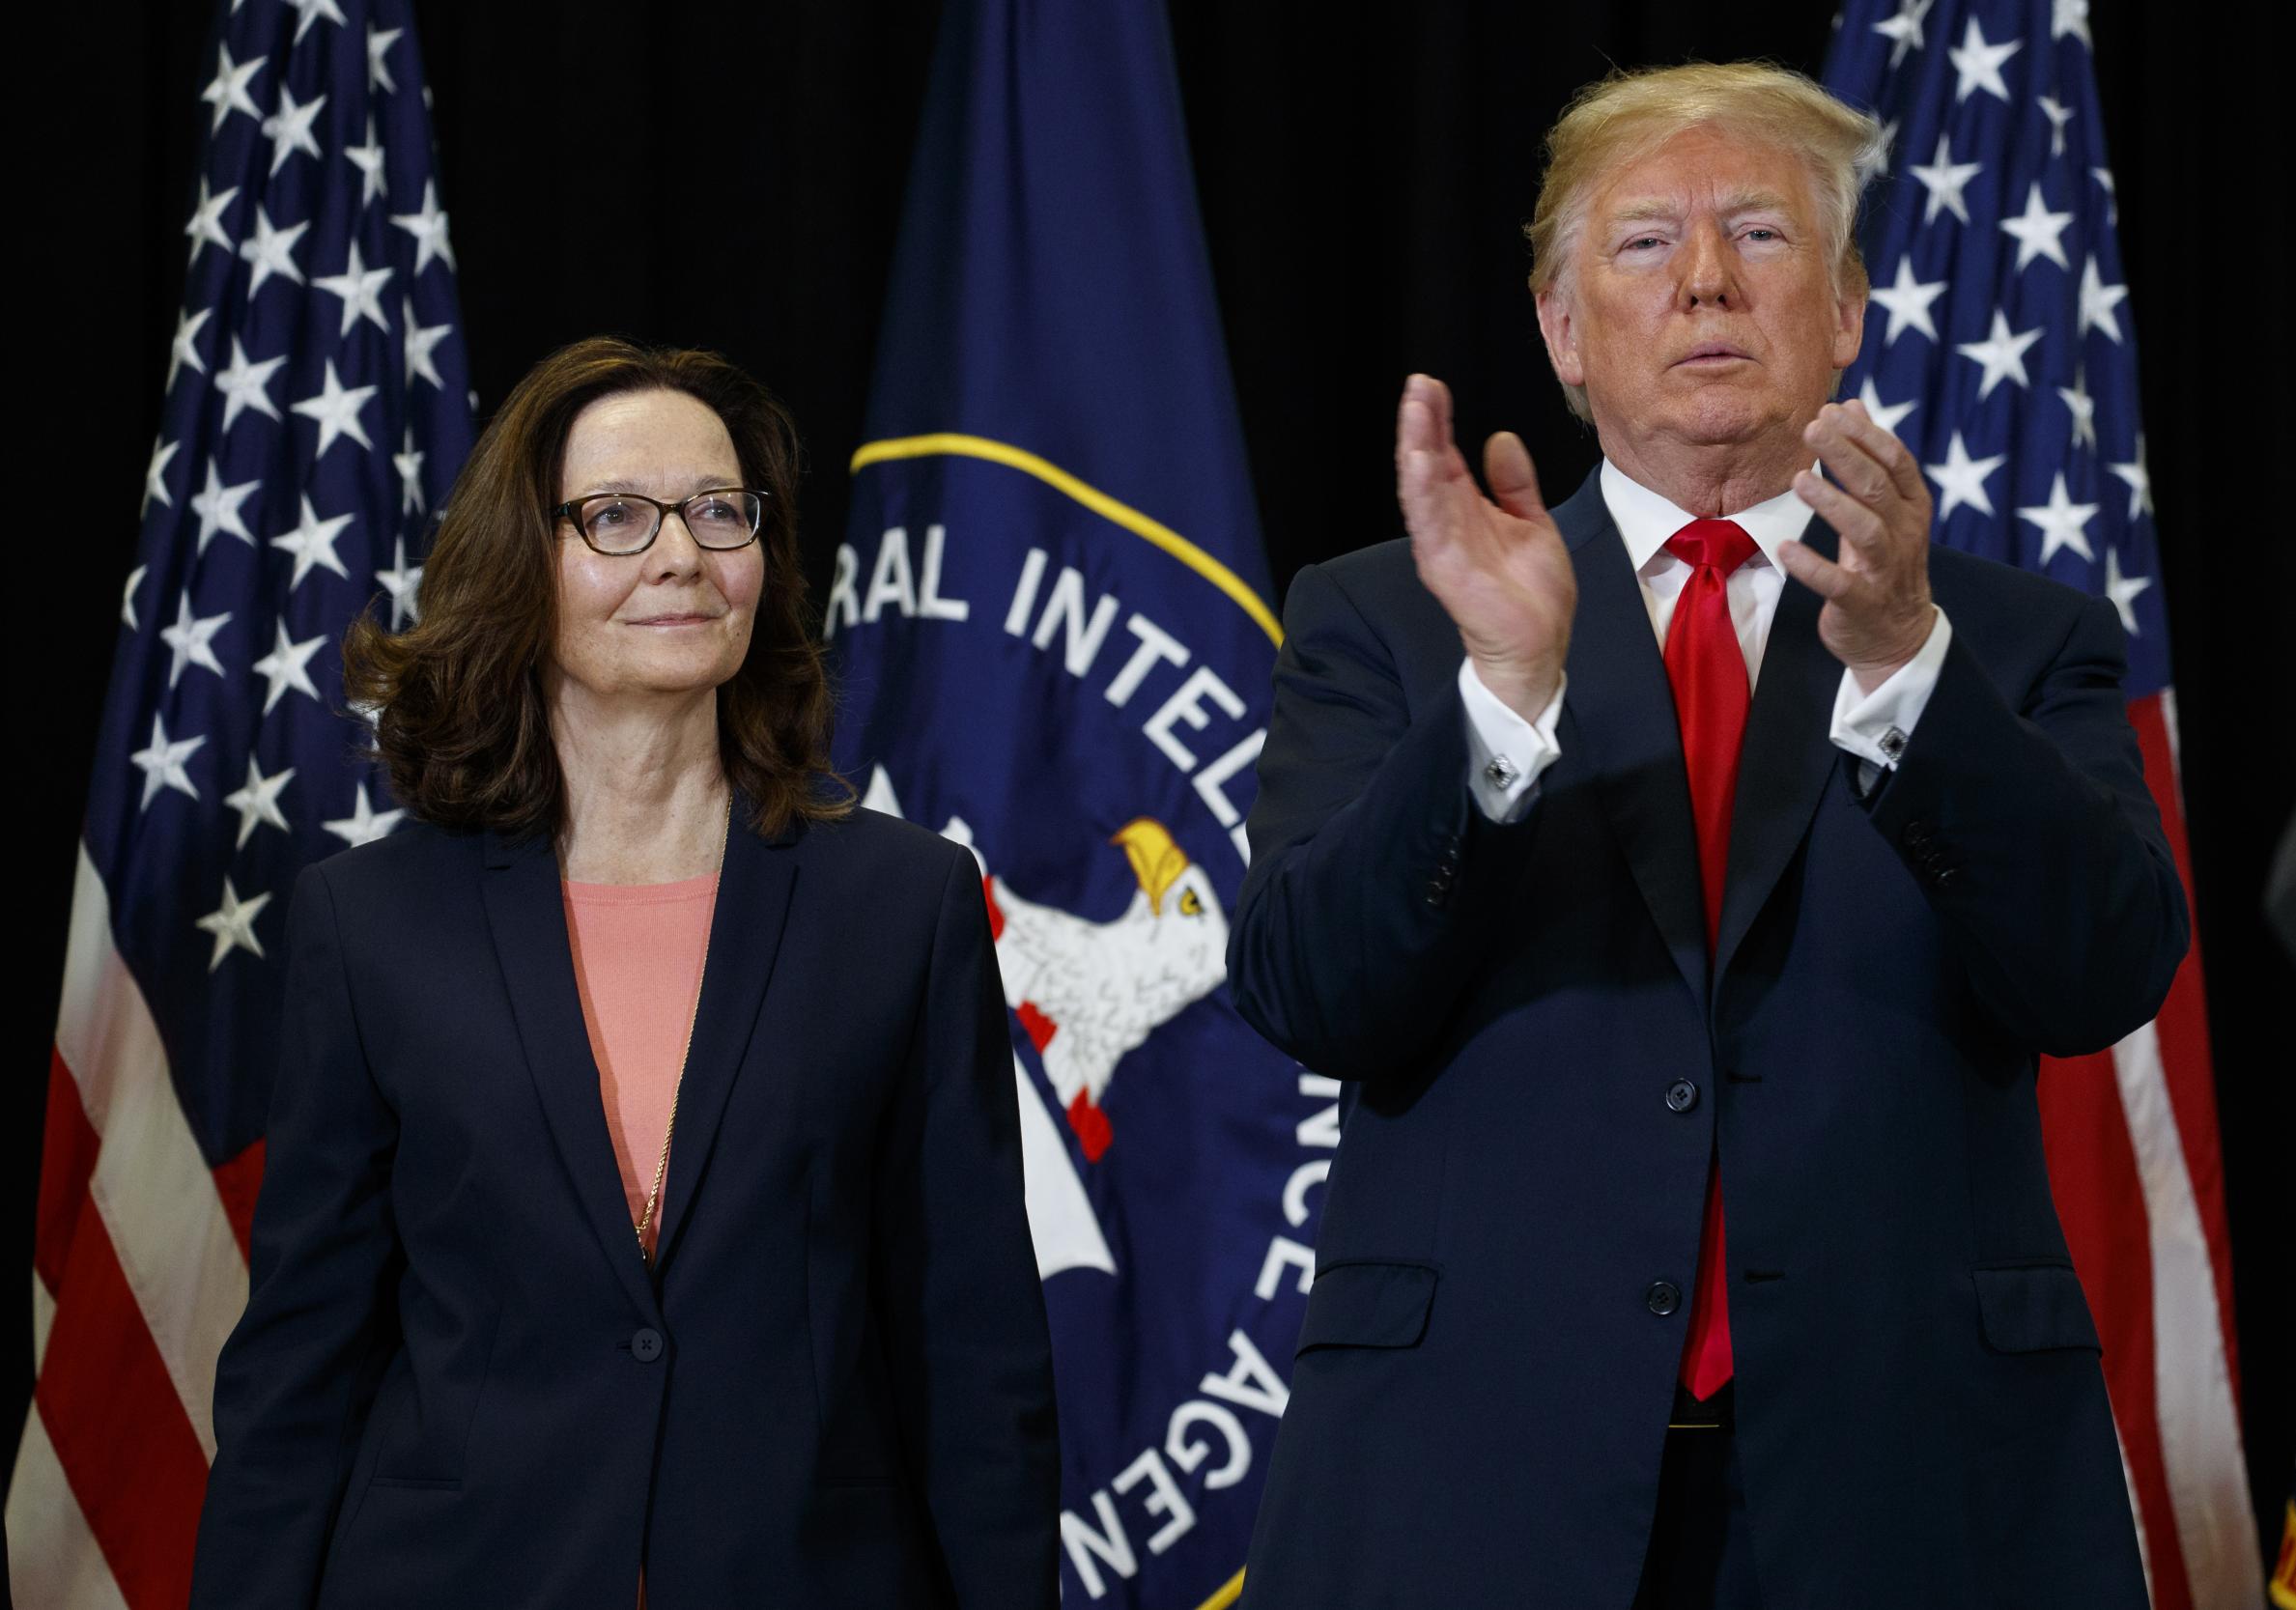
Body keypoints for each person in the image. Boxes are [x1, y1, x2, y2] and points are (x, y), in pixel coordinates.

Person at [1228, 63, 2182, 1609]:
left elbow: (2102, 974)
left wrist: (1905, 667)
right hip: (1479, 1483)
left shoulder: (2010, 639)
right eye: (1646, 245)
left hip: (1913, 1490)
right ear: (1559, 331)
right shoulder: (1388, 620)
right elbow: (1304, 992)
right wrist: (1504, 698)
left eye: (1759, 233)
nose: (1709, 283)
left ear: (1851, 309)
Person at [189, 338, 1059, 1608]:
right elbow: (302, 1372)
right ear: (518, 570)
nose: (682, 556)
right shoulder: (368, 923)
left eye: (719, 510)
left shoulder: (904, 905)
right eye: (618, 516)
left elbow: (975, 1356)